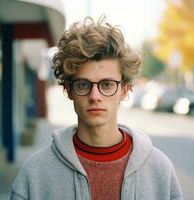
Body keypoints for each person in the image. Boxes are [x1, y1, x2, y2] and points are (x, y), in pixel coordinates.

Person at [10, 16, 183, 200]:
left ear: (124, 90)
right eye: (83, 85)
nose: (95, 96)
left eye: (107, 84)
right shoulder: (35, 173)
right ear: (69, 90)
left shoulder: (159, 170)